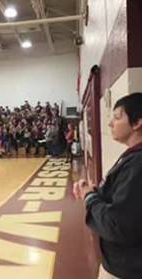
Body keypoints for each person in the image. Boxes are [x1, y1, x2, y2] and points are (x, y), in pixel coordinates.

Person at [74, 93, 142, 279]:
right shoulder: (132, 157)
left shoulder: (138, 164)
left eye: (117, 117)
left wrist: (90, 198)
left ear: (137, 123)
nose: (111, 123)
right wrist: (94, 191)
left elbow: (116, 224)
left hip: (127, 269)